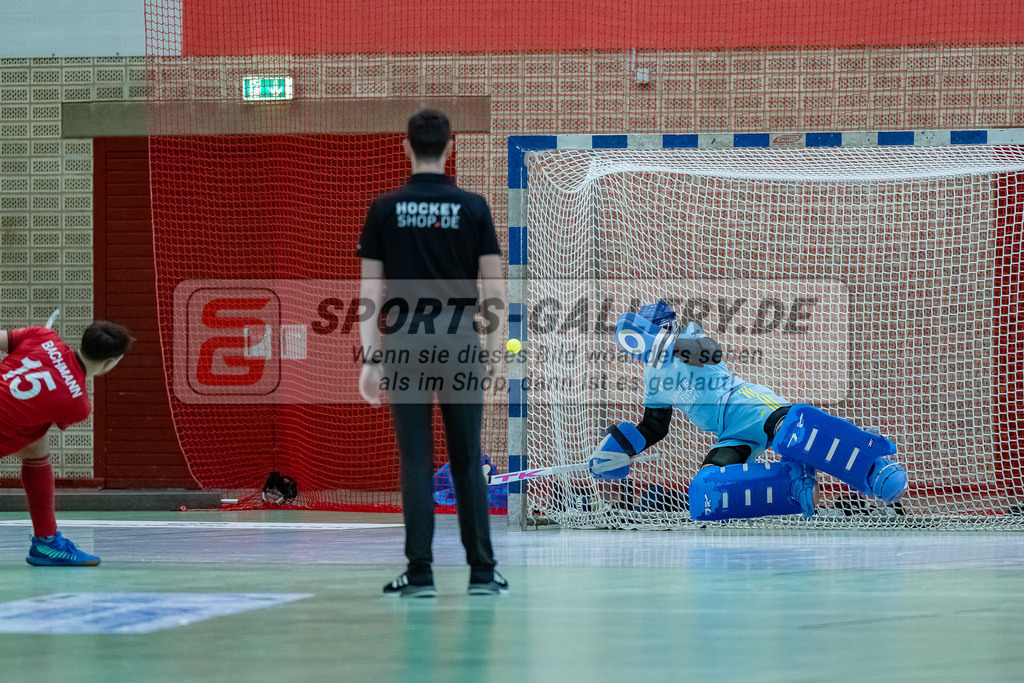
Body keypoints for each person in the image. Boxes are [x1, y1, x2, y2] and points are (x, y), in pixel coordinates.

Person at [357, 109, 507, 597]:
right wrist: (494, 352)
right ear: (450, 147)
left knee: (415, 461)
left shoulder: (384, 208)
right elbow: (494, 288)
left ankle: (419, 573)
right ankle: (482, 573)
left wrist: (370, 358)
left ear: (406, 147)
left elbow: (369, 291)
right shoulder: (474, 207)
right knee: (466, 459)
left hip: (405, 342)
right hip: (460, 340)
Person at [588, 301, 908, 521]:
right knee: (706, 490)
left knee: (792, 434)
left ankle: (873, 467)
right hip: (729, 434)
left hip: (748, 405)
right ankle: (793, 484)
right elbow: (654, 426)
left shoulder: (689, 336)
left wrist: (664, 343)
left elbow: (709, 352)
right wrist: (620, 449)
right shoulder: (652, 378)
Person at [1, 320, 133, 565]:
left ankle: (47, 542)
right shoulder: (78, 405)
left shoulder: (42, 335)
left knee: (36, 445)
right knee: (35, 434)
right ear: (111, 362)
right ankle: (47, 542)